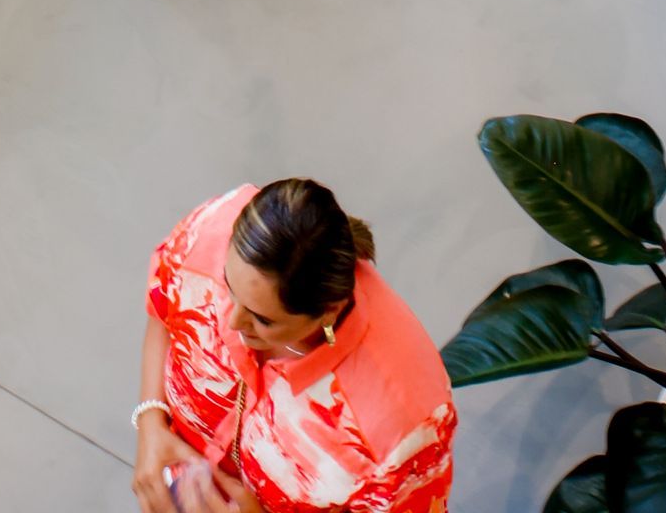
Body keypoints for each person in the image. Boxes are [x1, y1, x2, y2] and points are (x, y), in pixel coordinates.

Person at [133, 177, 456, 513]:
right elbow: (164, 312)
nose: (231, 322)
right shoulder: (211, 230)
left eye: (263, 319)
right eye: (230, 286)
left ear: (328, 311)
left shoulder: (400, 424)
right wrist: (150, 423)